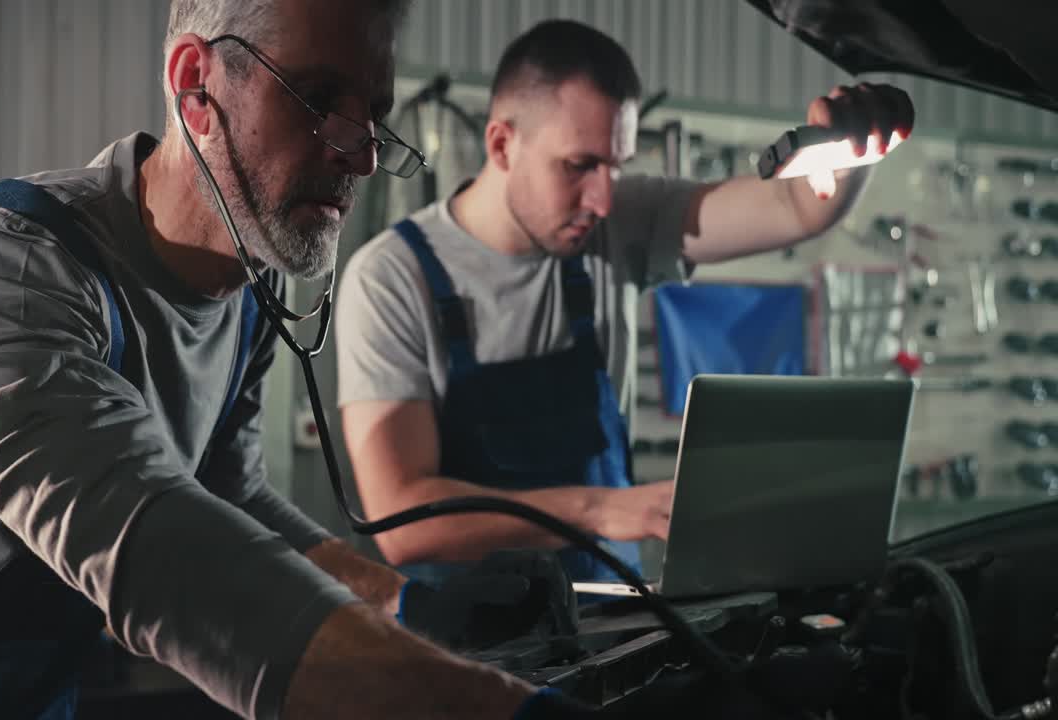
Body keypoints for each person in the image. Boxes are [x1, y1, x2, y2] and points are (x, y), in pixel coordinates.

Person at [0, 2, 610, 719]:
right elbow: (145, 539)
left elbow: (229, 497)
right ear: (196, 85)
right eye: (321, 100)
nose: (360, 155)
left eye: (374, 113)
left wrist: (411, 606)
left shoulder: (242, 297)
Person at [336, 20, 915, 585]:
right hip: (465, 655)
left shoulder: (618, 228)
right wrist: (602, 510)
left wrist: (854, 146)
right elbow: (402, 519)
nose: (604, 199)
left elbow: (794, 208)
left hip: (615, 626)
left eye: (616, 166)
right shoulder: (391, 279)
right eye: (580, 165)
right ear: (502, 144)